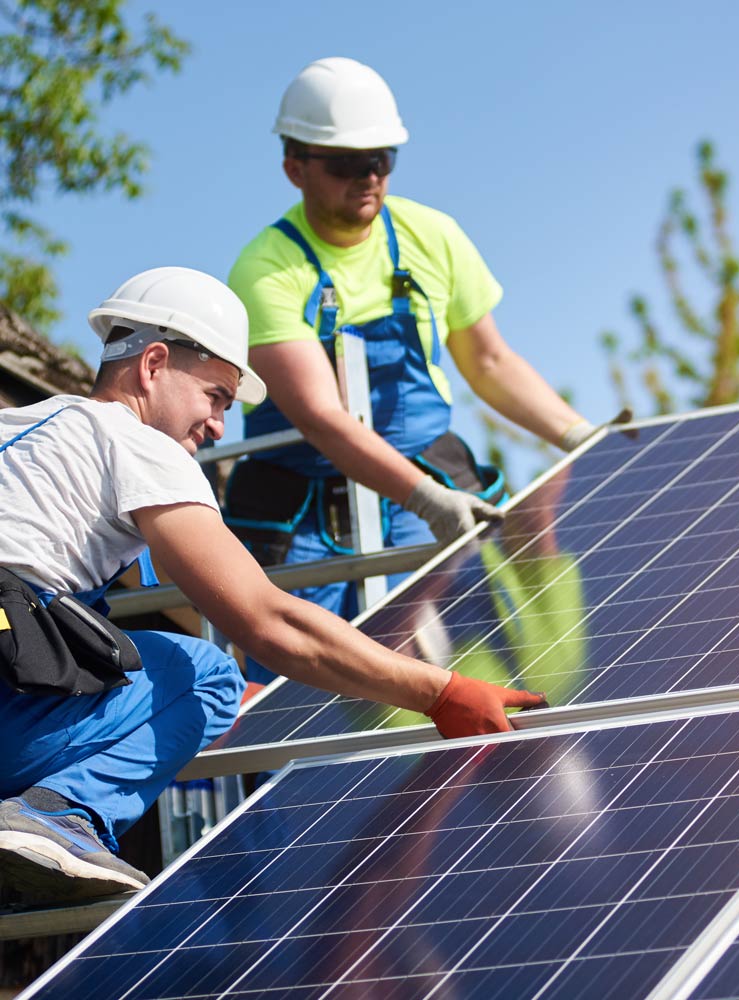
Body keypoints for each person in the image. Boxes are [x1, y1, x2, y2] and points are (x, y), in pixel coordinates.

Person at [0, 266, 546, 905]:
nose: (219, 428)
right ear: (152, 365)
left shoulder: (25, 434)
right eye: (216, 396)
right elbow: (266, 620)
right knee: (208, 675)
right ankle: (58, 817)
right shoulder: (137, 445)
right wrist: (441, 691)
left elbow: (168, 593)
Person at [227, 56, 606, 634]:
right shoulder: (265, 270)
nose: (369, 176)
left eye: (382, 159)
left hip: (427, 489)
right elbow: (323, 418)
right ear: (294, 168)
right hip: (306, 521)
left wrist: (581, 438)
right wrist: (426, 498)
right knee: (309, 687)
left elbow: (490, 360)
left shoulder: (433, 236)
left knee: (475, 652)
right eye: (347, 163)